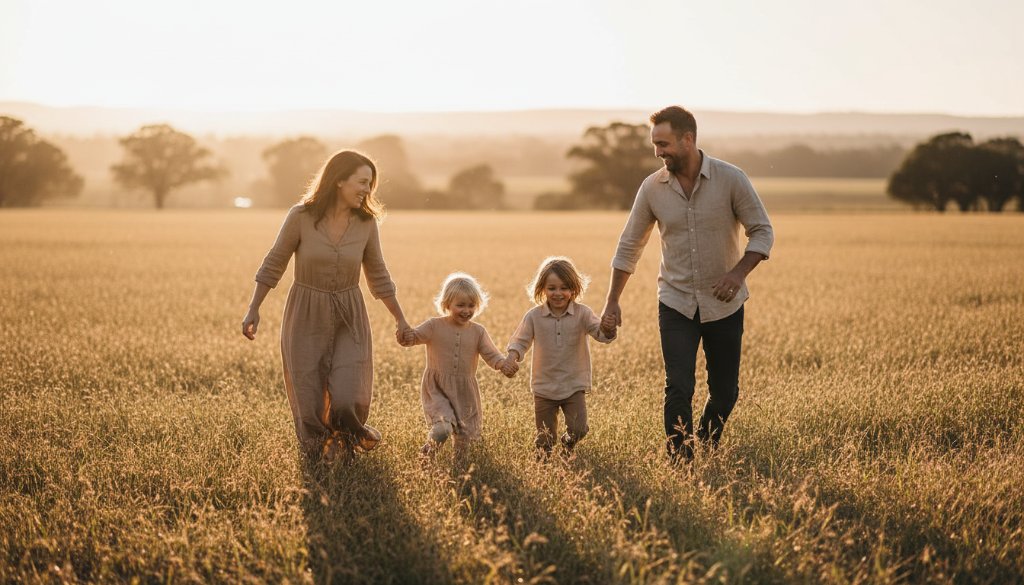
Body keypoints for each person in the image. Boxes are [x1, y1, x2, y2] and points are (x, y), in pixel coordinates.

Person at [601, 106, 774, 463]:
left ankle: (707, 447)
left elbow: (762, 231)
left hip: (724, 303)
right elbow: (629, 244)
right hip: (675, 301)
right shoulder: (652, 188)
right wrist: (612, 301)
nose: (658, 152)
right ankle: (681, 461)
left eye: (663, 143)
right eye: (654, 144)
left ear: (688, 139)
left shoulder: (731, 179)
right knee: (678, 386)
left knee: (725, 391)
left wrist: (737, 273)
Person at [241, 150, 412, 465]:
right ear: (339, 181)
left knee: (348, 398)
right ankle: (318, 458)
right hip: (305, 314)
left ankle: (346, 442)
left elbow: (378, 275)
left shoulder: (366, 223)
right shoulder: (300, 217)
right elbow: (274, 263)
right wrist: (254, 308)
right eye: (362, 182)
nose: (367, 190)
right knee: (309, 396)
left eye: (370, 184)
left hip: (350, 315)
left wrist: (400, 320)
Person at [504, 256, 616, 458]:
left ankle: (567, 445)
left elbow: (600, 334)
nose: (558, 293)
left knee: (579, 429)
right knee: (545, 438)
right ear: (542, 289)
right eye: (551, 288)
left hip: (574, 385)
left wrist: (607, 329)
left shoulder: (582, 313)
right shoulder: (534, 316)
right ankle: (543, 469)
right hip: (544, 386)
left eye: (564, 288)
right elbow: (520, 340)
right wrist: (512, 357)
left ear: (574, 289)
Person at [402, 273, 507, 460]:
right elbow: (414, 337)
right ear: (447, 304)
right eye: (460, 305)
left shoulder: (478, 332)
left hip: (465, 390)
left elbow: (492, 355)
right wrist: (405, 335)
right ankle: (426, 457)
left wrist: (503, 364)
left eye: (471, 305)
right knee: (442, 428)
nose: (466, 310)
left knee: (464, 435)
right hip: (437, 388)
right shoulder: (434, 326)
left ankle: (458, 472)